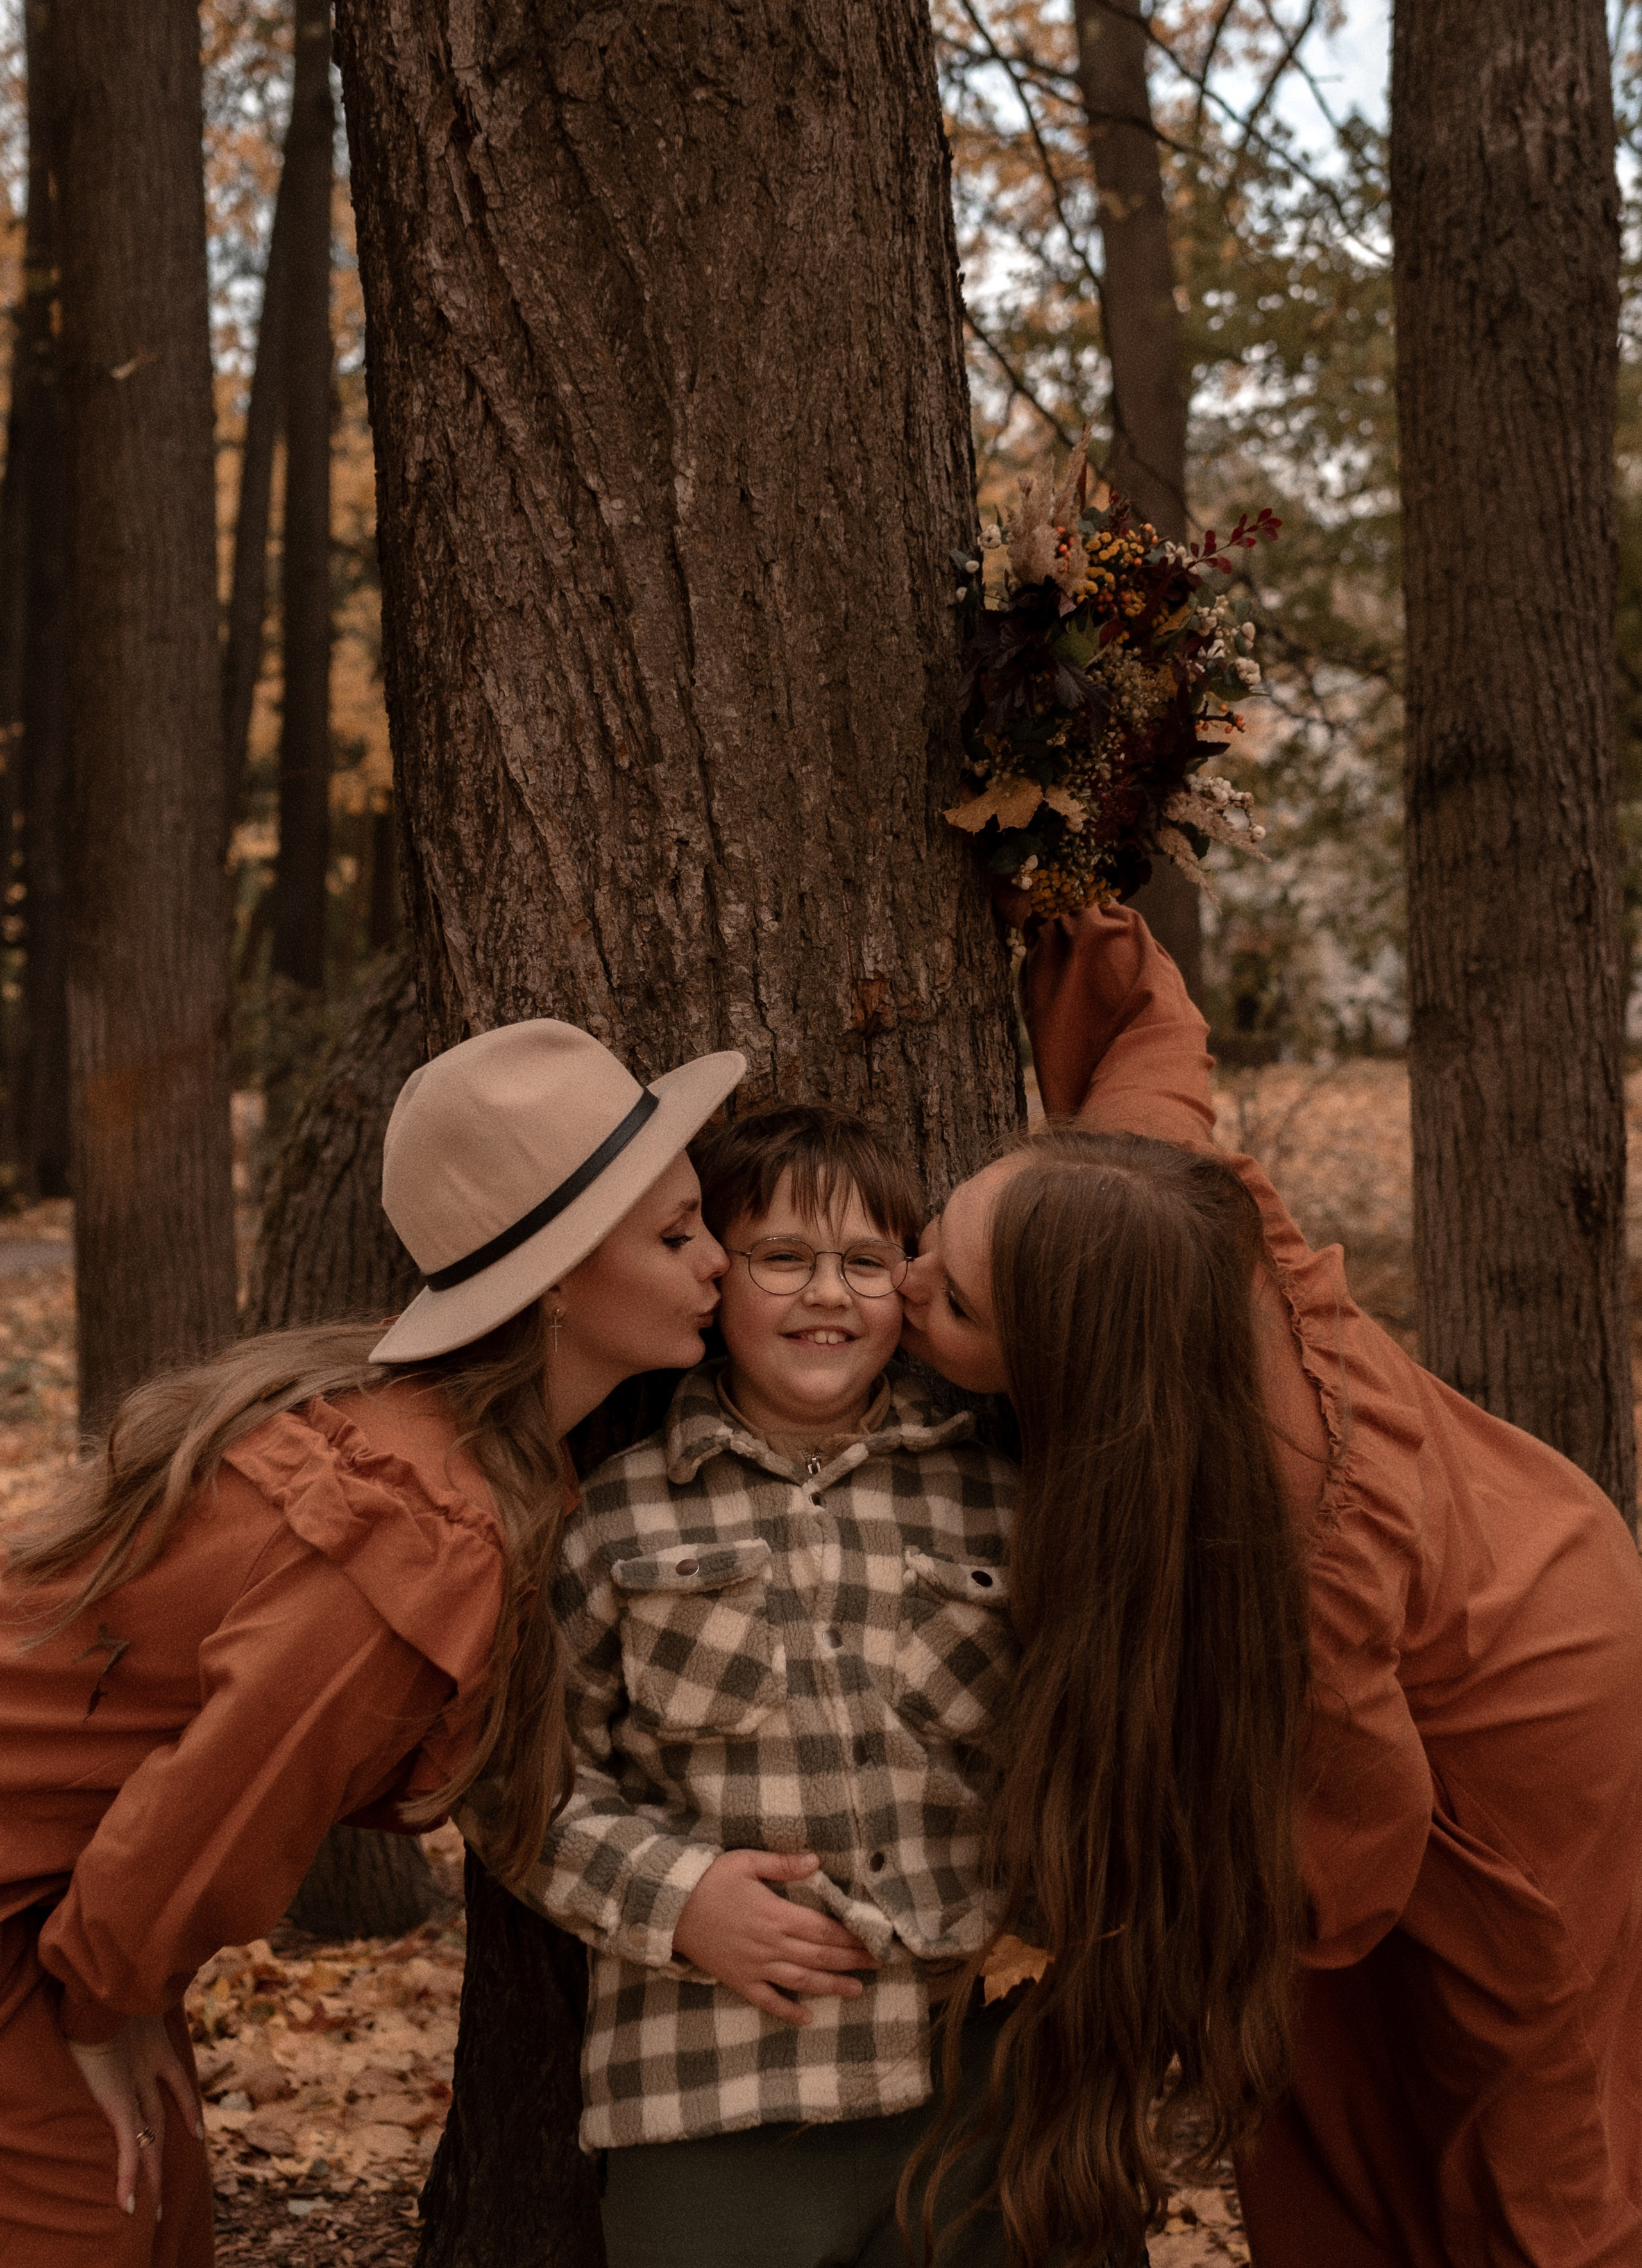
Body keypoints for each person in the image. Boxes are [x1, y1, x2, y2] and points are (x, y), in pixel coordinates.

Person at [896, 902, 1642, 2268]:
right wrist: (1065, 890)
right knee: (1335, 2098)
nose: (891, 1291)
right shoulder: (1145, 1196)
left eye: (945, 1301)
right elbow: (1145, 1031)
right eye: (931, 1242)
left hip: (1524, 1696)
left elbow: (1350, 1862)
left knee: (1513, 2098)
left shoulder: (1285, 1551)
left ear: (1070, 1362)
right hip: (1497, 1541)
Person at [0, 1016, 744, 2268]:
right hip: (43, 1911)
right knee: (97, 2220)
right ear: (556, 1277)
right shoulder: (416, 1529)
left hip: (63, 1910)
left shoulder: (460, 1453)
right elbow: (214, 1810)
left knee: (160, 2212)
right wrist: (101, 2000)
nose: (719, 1260)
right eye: (676, 1235)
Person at [509, 1104, 1024, 2268]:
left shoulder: (1007, 1502)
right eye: (783, 1258)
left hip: (980, 2087)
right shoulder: (611, 1514)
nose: (827, 1295)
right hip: (717, 2087)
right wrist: (679, 1897)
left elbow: (1091, 1745)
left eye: (866, 1262)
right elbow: (522, 1784)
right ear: (714, 1280)